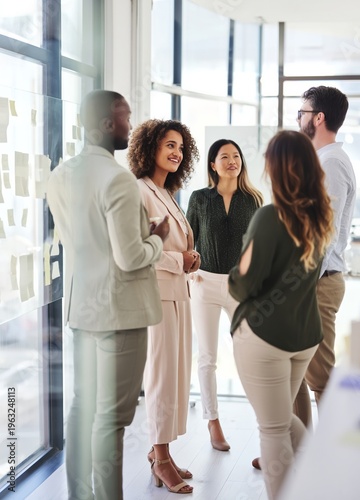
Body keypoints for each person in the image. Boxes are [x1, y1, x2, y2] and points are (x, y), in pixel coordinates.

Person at [47, 90, 170, 500]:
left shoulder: (62, 174)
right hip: (121, 313)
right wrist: (157, 239)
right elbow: (131, 257)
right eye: (125, 117)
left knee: (83, 409)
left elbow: (76, 243)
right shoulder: (116, 178)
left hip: (82, 308)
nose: (130, 126)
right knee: (112, 420)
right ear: (105, 124)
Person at [228, 130, 334, 500]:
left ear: (275, 168)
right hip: (303, 338)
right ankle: (316, 477)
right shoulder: (321, 218)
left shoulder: (270, 217)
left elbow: (242, 285)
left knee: (272, 428)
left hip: (264, 337)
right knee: (282, 421)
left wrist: (235, 270)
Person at [127, 118, 200, 494]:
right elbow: (136, 249)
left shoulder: (167, 194)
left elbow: (173, 244)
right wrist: (178, 261)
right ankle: (160, 457)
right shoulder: (139, 191)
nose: (177, 153)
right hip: (156, 297)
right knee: (160, 378)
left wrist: (191, 258)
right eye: (170, 145)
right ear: (150, 148)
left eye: (181, 148)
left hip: (178, 295)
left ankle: (163, 453)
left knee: (174, 378)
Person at [185, 139, 263, 451]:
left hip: (239, 287)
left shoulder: (253, 199)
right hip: (203, 283)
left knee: (249, 354)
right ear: (212, 165)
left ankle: (263, 422)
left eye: (236, 156)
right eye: (224, 157)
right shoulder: (200, 199)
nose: (232, 161)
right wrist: (190, 274)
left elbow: (257, 247)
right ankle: (213, 422)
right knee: (207, 357)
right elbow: (188, 240)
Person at [294, 86, 356, 426]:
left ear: (318, 117)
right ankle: (294, 444)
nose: (298, 118)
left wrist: (298, 284)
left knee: (320, 375)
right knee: (297, 370)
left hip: (317, 283)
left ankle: (329, 459)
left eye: (301, 112)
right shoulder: (321, 160)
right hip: (312, 280)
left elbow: (324, 234)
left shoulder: (330, 163)